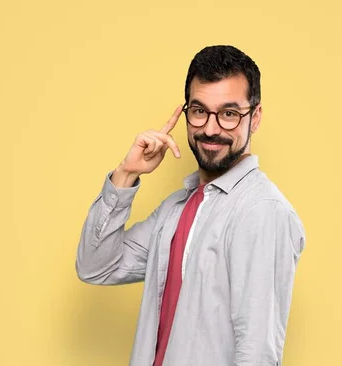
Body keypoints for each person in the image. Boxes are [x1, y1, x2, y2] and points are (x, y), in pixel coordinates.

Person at [76, 45, 306, 366]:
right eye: (200, 111)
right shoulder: (177, 208)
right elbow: (96, 266)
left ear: (255, 118)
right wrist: (126, 174)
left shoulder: (261, 211)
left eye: (229, 114)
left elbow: (257, 354)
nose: (210, 129)